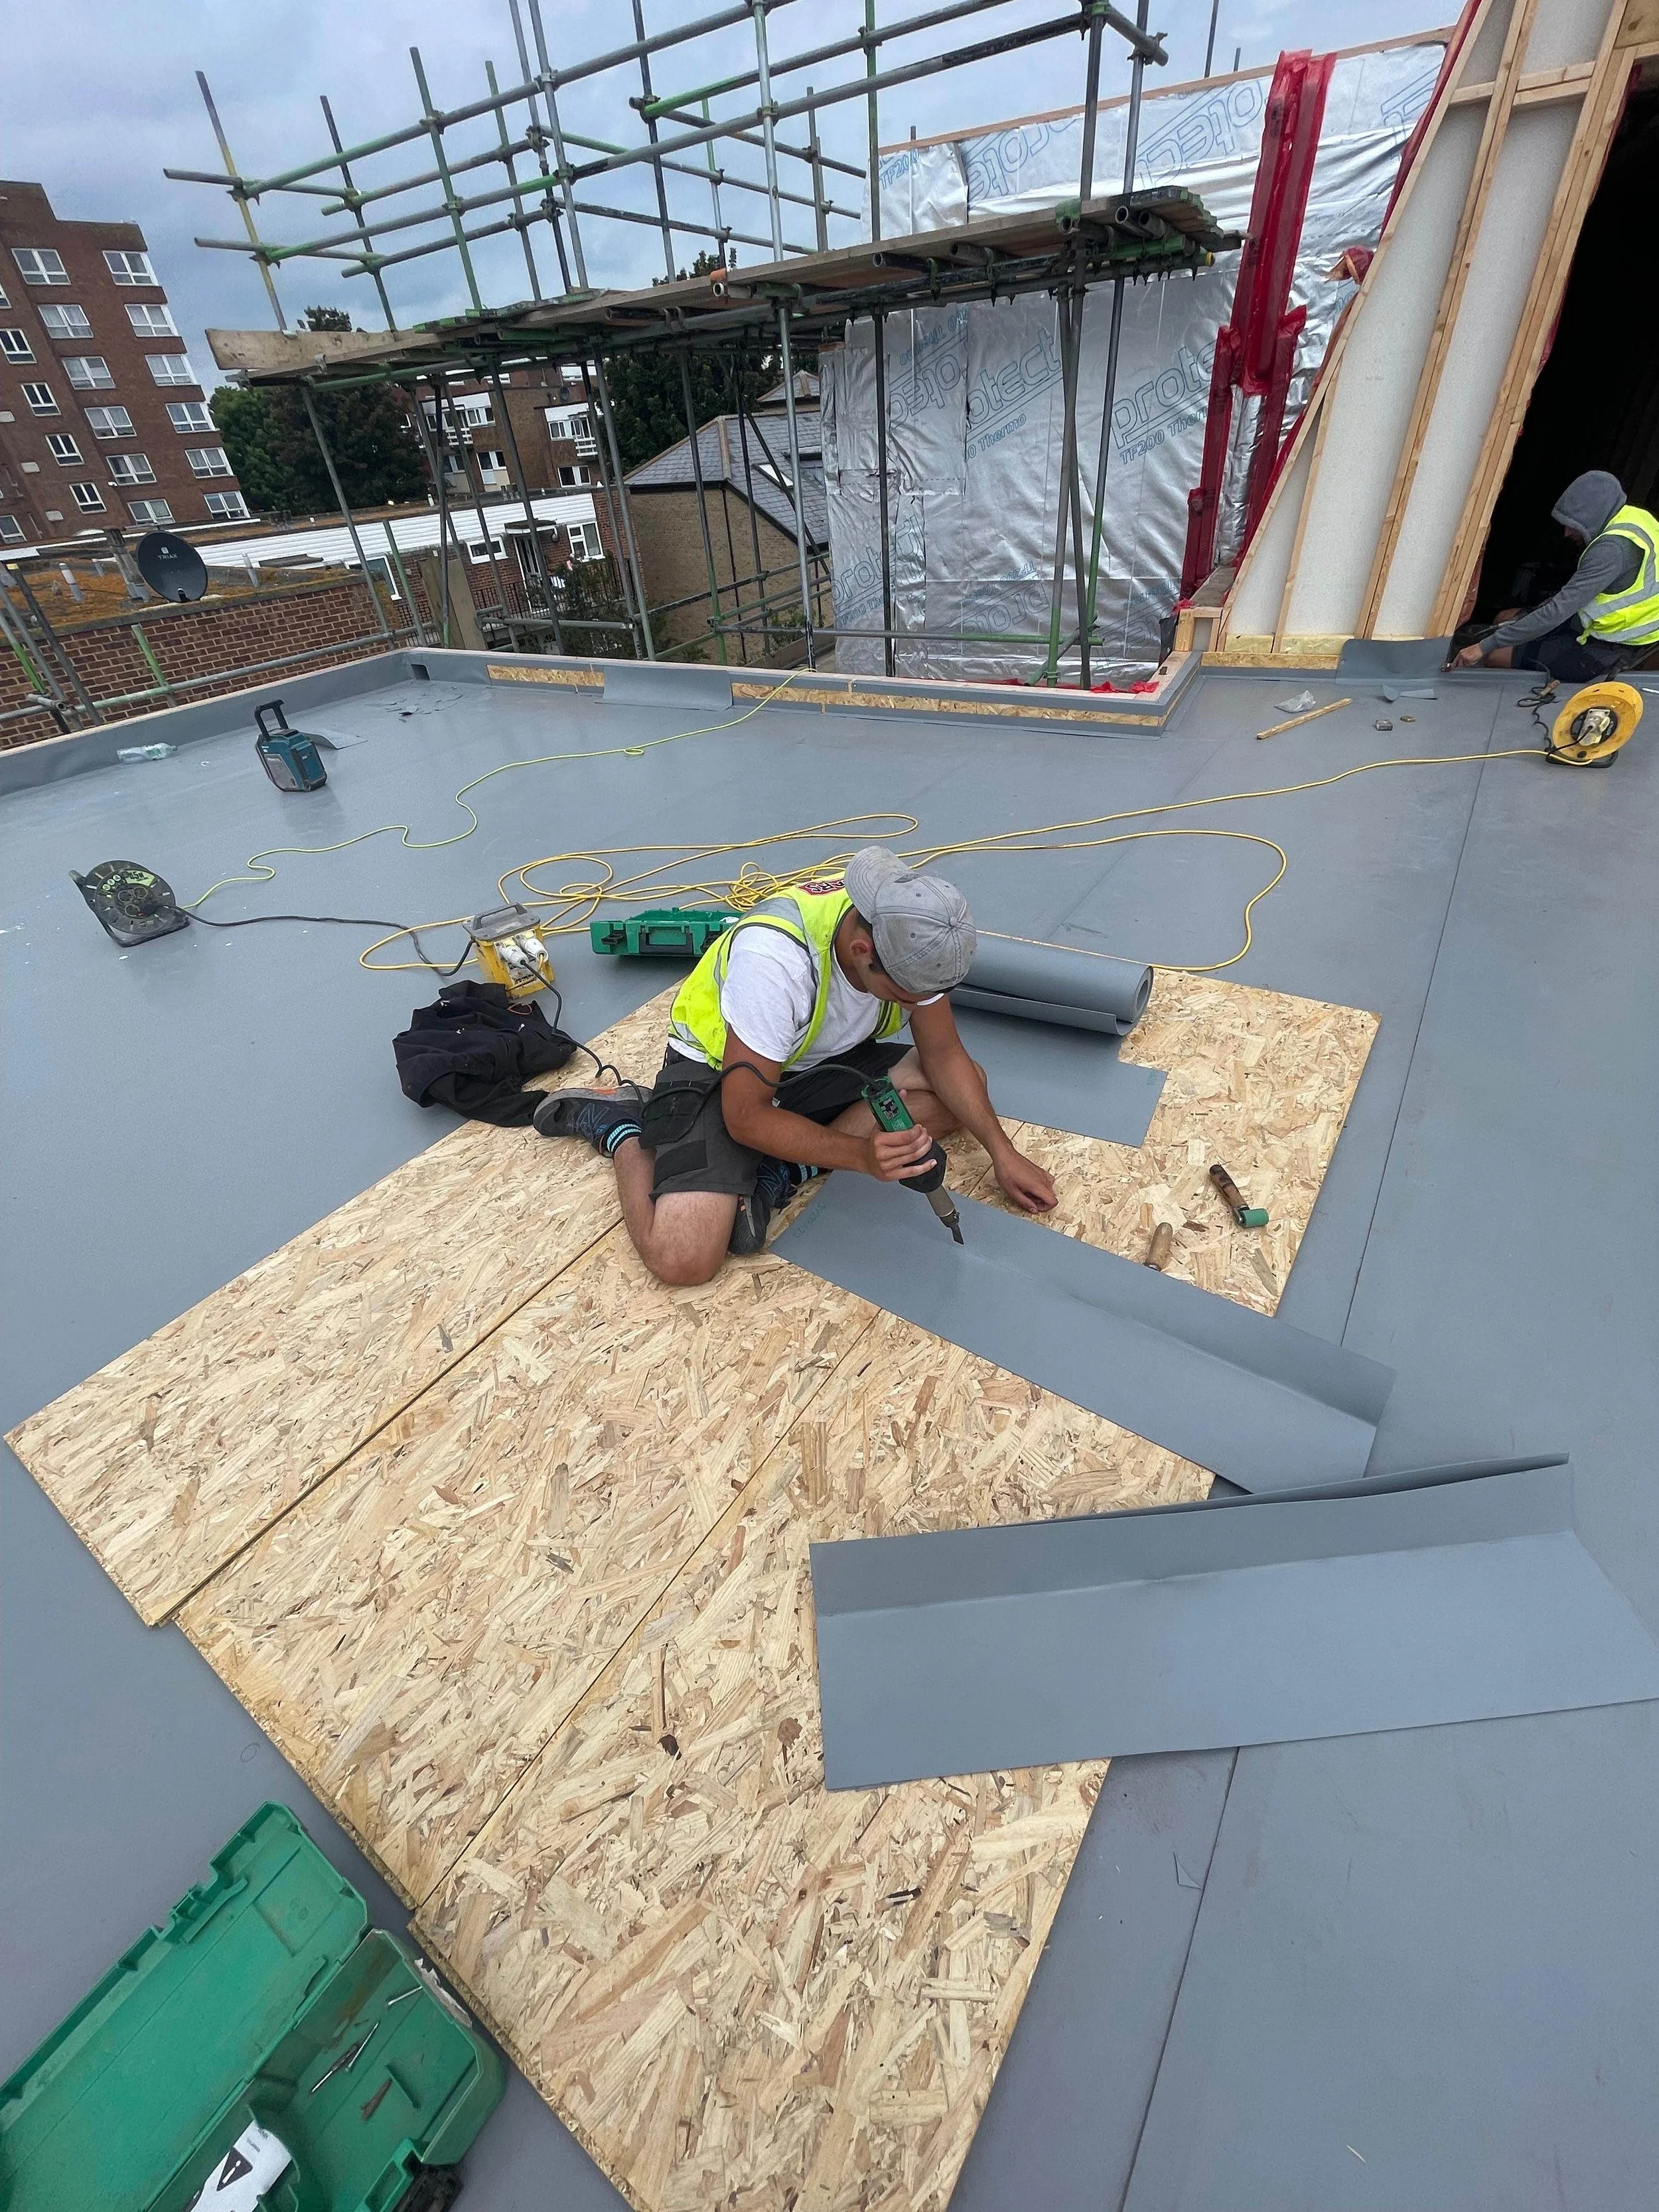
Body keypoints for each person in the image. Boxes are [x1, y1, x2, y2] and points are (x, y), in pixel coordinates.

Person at [534, 847, 1058, 1284]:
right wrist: (860, 1156)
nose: (921, 1002)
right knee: (684, 1258)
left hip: (812, 1060)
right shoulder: (776, 960)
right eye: (909, 993)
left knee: (961, 1093)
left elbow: (943, 1055)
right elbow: (745, 1116)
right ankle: (623, 1123)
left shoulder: (906, 928)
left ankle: (782, 1167)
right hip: (724, 1073)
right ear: (862, 951)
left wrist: (1002, 1152)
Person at [1451, 471, 1659, 679]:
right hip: (1606, 624)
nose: (1567, 533)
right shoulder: (1634, 518)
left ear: (1593, 516)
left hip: (1616, 645)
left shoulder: (1611, 550)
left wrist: (1482, 647)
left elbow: (1557, 612)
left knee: (1495, 656)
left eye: (1575, 525)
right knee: (1504, 617)